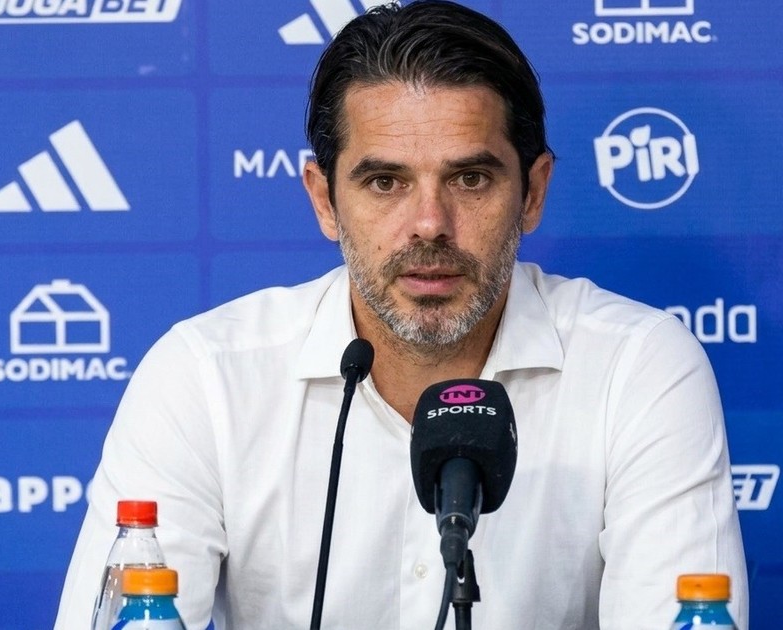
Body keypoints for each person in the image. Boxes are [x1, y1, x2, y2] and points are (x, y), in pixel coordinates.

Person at [55, 2, 747, 628]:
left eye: (469, 179)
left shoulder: (635, 366)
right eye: (385, 182)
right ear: (324, 200)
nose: (429, 223)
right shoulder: (205, 378)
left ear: (533, 193)